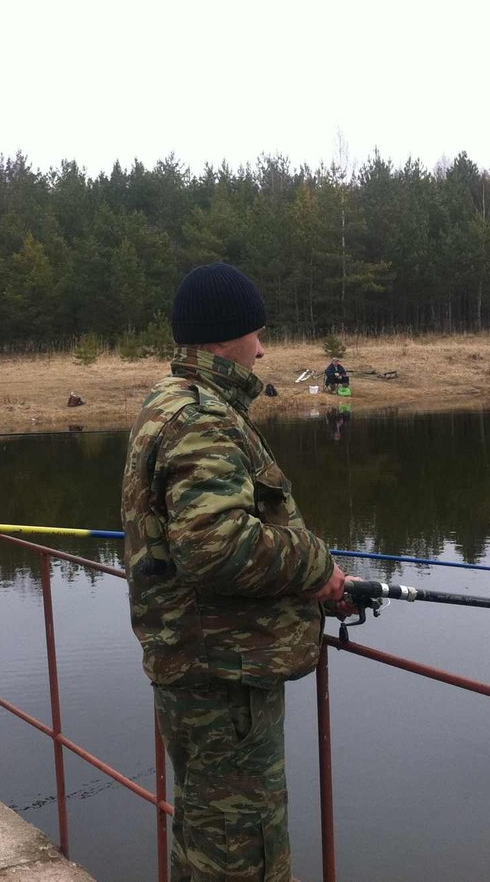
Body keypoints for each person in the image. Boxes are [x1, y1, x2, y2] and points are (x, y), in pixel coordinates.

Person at [121, 262, 351, 882]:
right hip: (225, 677)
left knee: (207, 839)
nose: (263, 348)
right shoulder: (202, 418)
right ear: (226, 338)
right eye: (257, 333)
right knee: (241, 851)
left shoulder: (170, 401)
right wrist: (318, 564)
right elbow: (217, 547)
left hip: (203, 665)